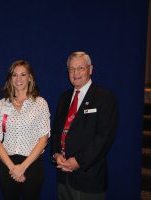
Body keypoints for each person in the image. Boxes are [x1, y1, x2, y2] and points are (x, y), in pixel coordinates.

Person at [51, 51, 118, 200]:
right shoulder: (64, 97)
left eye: (80, 68)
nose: (76, 73)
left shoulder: (104, 98)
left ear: (90, 69)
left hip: (89, 178)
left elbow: (104, 138)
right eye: (72, 69)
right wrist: (56, 154)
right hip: (63, 176)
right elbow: (56, 131)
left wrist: (79, 161)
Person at [0, 60, 50, 200]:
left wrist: (23, 167)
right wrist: (12, 167)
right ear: (10, 78)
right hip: (7, 164)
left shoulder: (40, 103)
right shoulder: (2, 104)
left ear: (30, 77)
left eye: (23, 74)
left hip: (32, 164)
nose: (18, 79)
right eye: (14, 75)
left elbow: (43, 139)